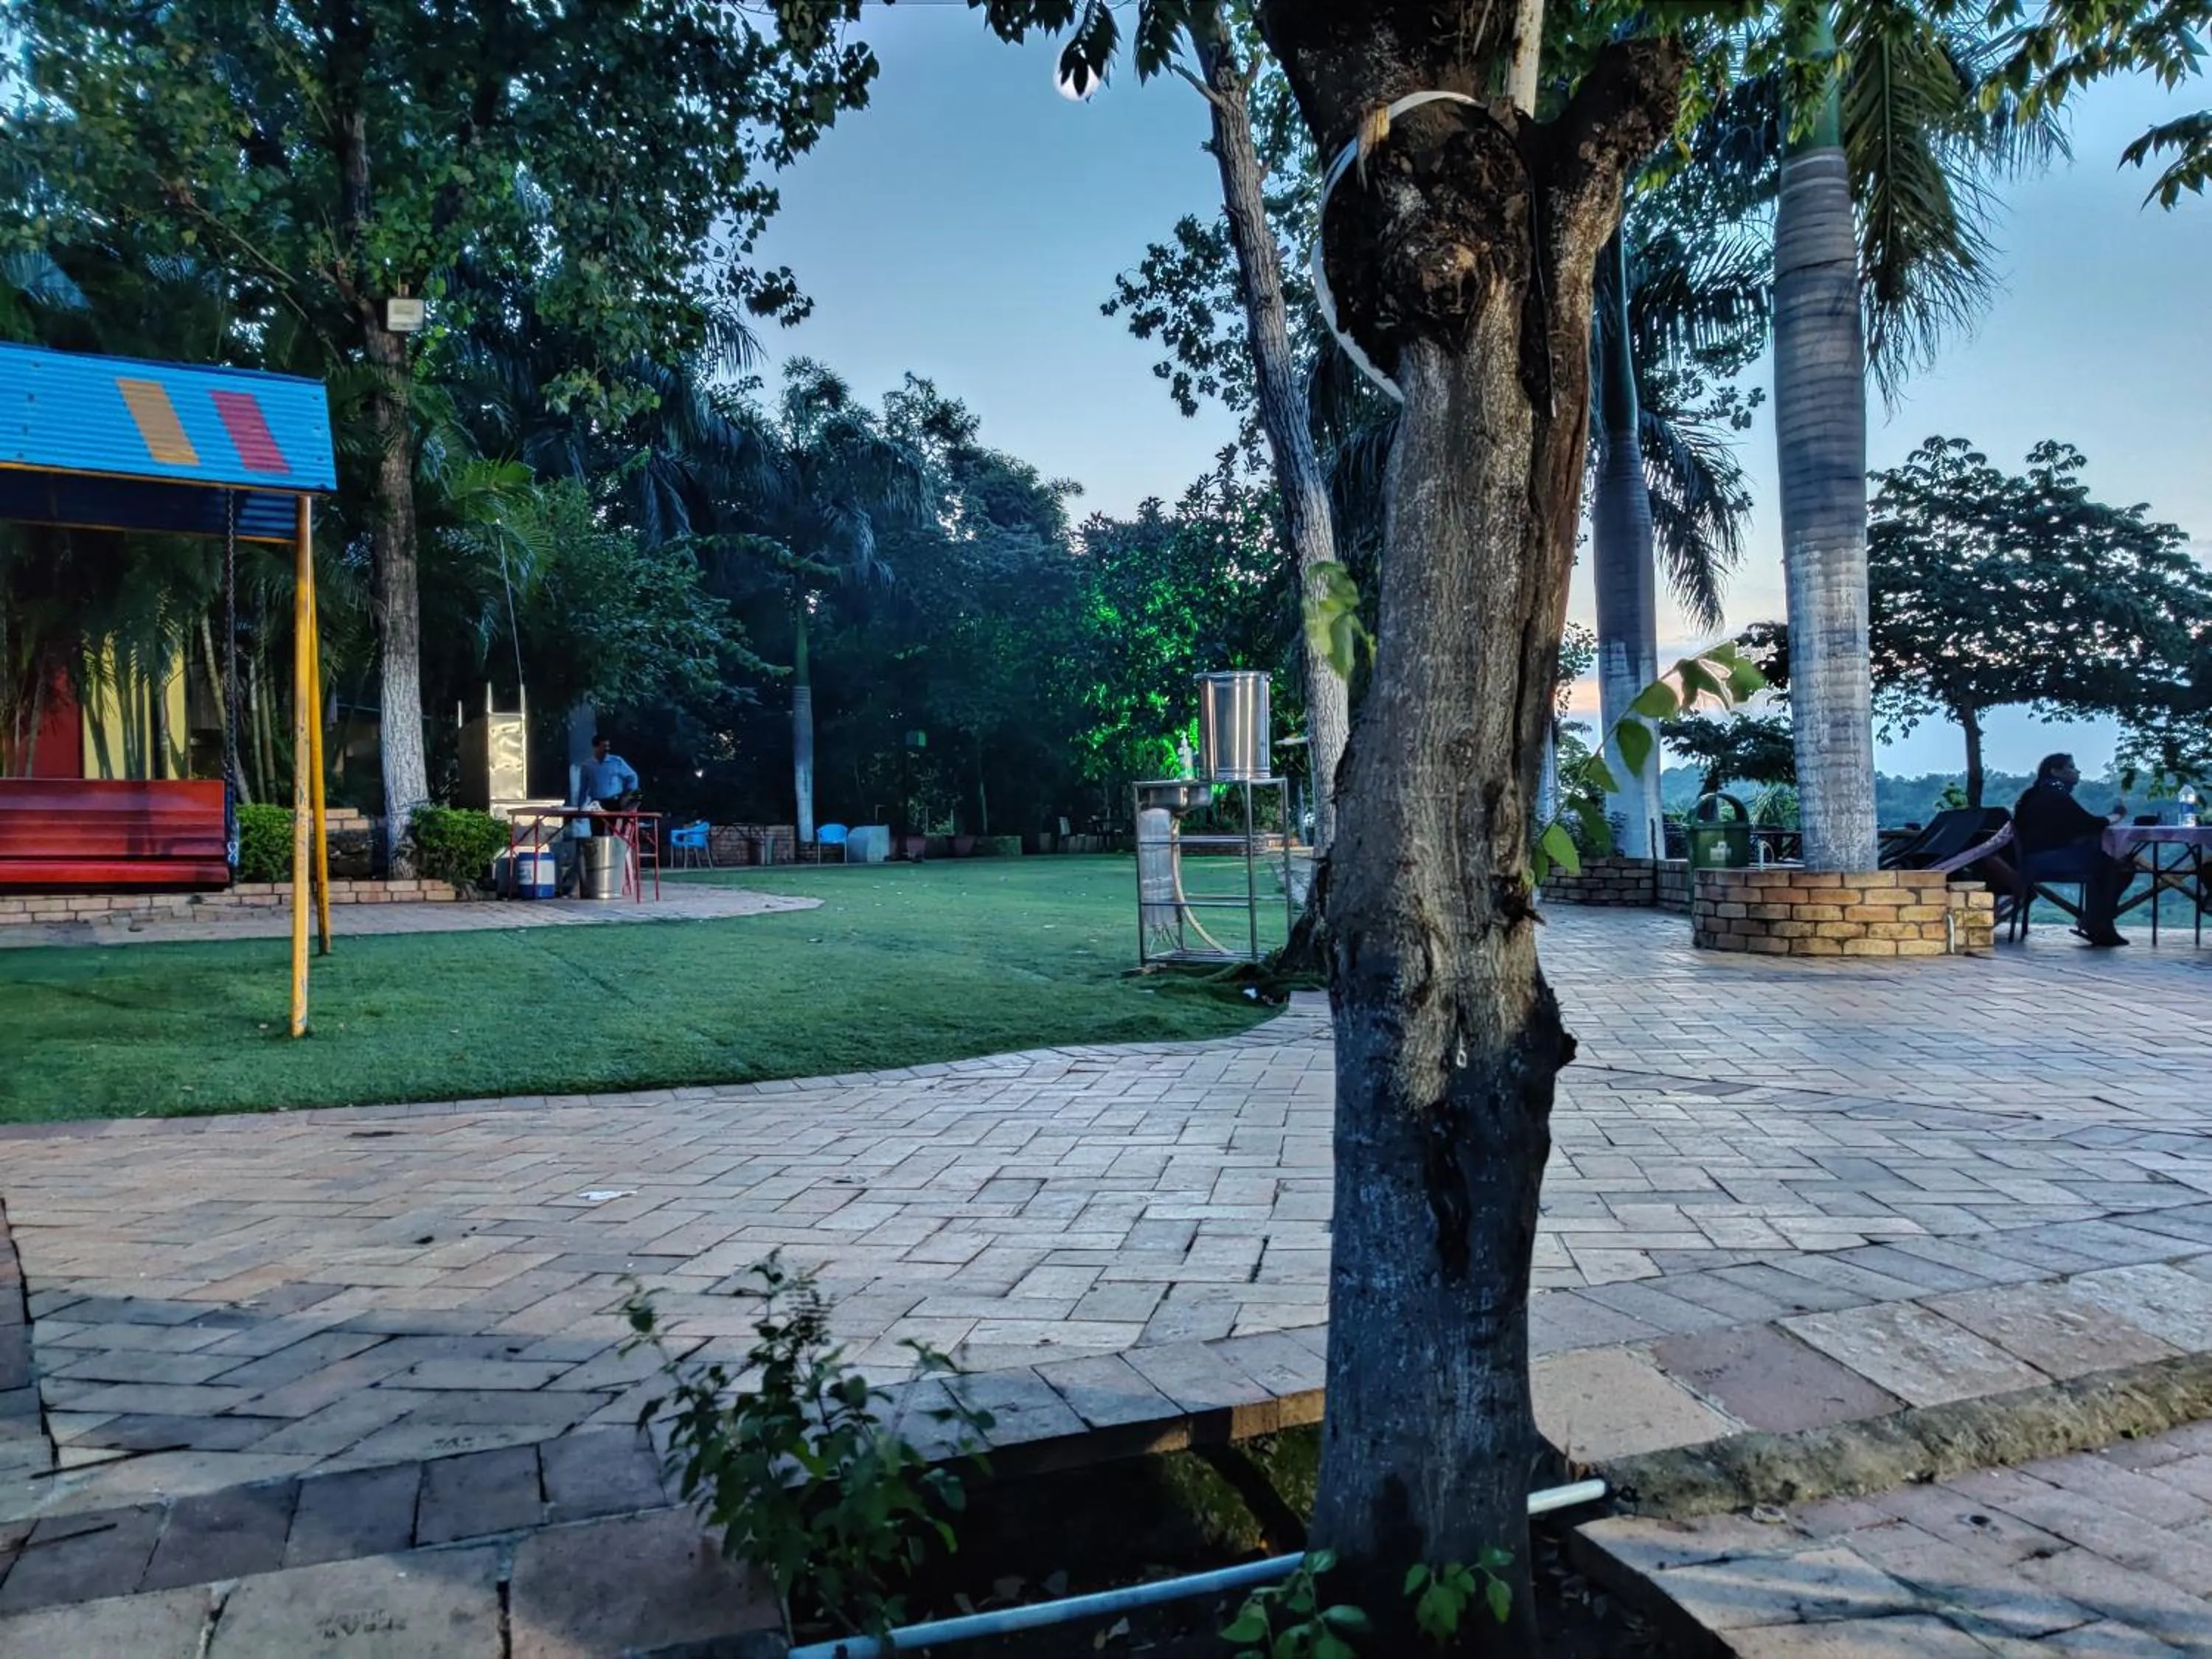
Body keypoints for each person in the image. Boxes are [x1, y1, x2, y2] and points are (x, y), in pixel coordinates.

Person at [2013, 752, 2131, 947]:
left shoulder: (2035, 793)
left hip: (2030, 859)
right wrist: (2116, 816)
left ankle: (2096, 921)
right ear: (2056, 772)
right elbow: (2090, 823)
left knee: (2106, 863)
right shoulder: (2054, 795)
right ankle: (2096, 922)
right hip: (2044, 860)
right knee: (2118, 867)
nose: (2077, 771)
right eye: (2071, 767)